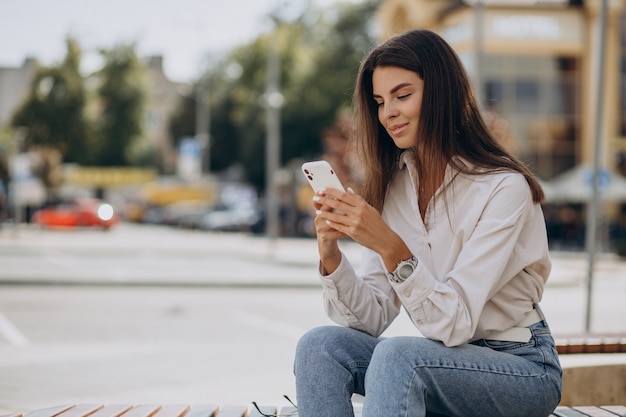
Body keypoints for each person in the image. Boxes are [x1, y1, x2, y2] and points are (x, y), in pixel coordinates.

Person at [293, 29, 562, 417]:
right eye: (380, 101)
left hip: (522, 368)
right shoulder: (395, 187)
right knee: (319, 346)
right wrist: (330, 253)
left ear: (441, 92)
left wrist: (391, 247)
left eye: (403, 95)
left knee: (399, 356)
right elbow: (369, 318)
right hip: (439, 361)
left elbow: (454, 323)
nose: (388, 112)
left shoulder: (504, 188)